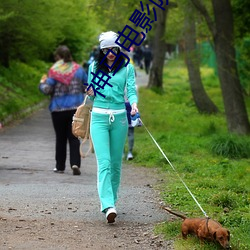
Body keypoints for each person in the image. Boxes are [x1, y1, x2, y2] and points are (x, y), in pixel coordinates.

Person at [86, 31, 138, 223]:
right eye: (106, 50)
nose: (110, 53)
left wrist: (134, 104)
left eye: (113, 49)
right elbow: (91, 97)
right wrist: (90, 92)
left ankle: (112, 201)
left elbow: (131, 90)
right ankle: (108, 205)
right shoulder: (94, 67)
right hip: (98, 117)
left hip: (120, 118)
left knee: (116, 164)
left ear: (118, 49)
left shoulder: (127, 68)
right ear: (102, 50)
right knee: (105, 163)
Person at [39, 45, 87, 175]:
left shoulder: (54, 71)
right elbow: (86, 87)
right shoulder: (79, 69)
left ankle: (60, 167)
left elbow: (47, 90)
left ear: (58, 57)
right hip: (75, 109)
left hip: (58, 109)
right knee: (74, 136)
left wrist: (42, 83)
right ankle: (75, 163)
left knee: (60, 138)